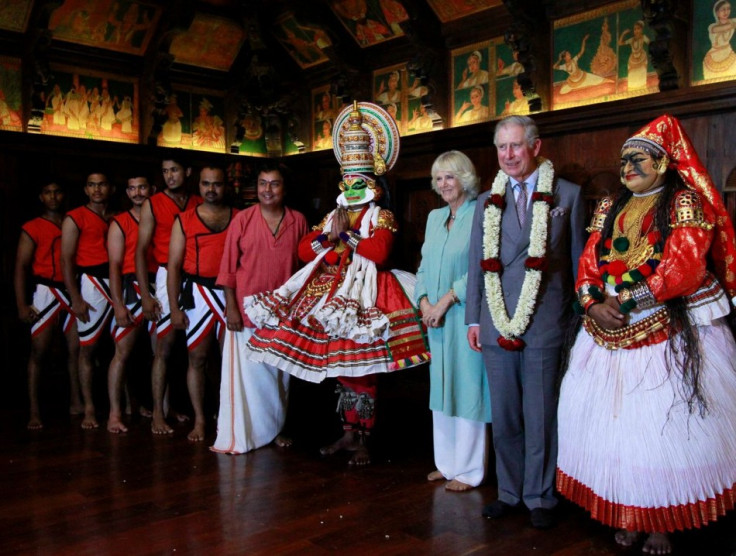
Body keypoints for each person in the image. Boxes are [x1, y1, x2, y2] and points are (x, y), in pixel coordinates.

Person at [557, 114, 736, 555]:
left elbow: (686, 266)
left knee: (662, 426)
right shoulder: (609, 205)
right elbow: (589, 262)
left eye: (638, 158)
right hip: (608, 323)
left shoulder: (683, 203)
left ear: (663, 162)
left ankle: (661, 521)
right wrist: (593, 302)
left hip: (670, 325)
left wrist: (632, 299)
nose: (628, 167)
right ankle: (626, 510)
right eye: (624, 160)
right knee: (613, 426)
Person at [244, 102, 429, 465]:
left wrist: (345, 238)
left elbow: (379, 253)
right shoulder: (334, 214)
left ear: (373, 184)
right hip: (328, 294)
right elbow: (305, 250)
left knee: (363, 366)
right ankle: (347, 433)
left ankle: (365, 436)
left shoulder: (383, 215)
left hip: (367, 293)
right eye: (346, 181)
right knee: (340, 366)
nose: (351, 186)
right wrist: (331, 239)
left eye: (358, 181)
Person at [466, 115, 586, 528]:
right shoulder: (485, 201)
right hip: (494, 321)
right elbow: (475, 265)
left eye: (516, 146)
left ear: (536, 147)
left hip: (546, 322)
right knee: (505, 415)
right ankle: (509, 492)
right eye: (502, 147)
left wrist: (579, 323)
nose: (509, 155)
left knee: (540, 415)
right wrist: (472, 320)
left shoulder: (566, 195)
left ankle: (540, 496)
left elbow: (578, 266)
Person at [211, 162, 308, 454]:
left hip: (285, 313)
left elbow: (305, 268)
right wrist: (231, 308)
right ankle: (249, 433)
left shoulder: (298, 220)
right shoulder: (242, 220)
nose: (268, 190)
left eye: (274, 183)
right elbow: (228, 268)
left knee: (280, 376)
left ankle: (274, 430)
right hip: (246, 312)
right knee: (250, 378)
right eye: (263, 184)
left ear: (284, 188)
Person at [416, 151, 491, 492]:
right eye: (438, 178)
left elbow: (482, 266)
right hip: (435, 320)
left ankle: (470, 470)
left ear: (466, 178)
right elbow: (422, 266)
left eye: (450, 176)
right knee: (441, 391)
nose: (443, 184)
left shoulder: (482, 213)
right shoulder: (434, 218)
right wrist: (424, 302)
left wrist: (445, 300)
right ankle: (446, 465)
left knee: (469, 389)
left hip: (465, 316)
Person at [167, 165, 236, 442]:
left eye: (217, 184)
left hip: (230, 294)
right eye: (206, 183)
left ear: (225, 186)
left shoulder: (240, 217)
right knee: (197, 359)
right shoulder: (183, 220)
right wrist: (174, 308)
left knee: (231, 361)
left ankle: (230, 415)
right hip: (196, 294)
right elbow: (173, 267)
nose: (211, 189)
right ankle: (200, 419)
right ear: (199, 186)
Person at [136, 158, 202, 435]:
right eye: (164, 171)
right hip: (165, 275)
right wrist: (145, 295)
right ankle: (157, 414)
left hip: (197, 277)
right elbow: (140, 250)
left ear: (188, 170)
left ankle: (191, 408)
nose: (169, 176)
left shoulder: (199, 200)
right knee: (163, 347)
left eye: (174, 169)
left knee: (197, 347)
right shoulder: (153, 203)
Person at [14, 180, 81, 429]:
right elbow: (20, 267)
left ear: (64, 195)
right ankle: (34, 410)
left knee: (76, 350)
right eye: (47, 192)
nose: (53, 196)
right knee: (39, 352)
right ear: (41, 197)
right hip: (44, 290)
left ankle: (77, 402)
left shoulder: (72, 222)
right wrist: (22, 304)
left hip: (71, 290)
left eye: (58, 191)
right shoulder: (32, 227)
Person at [61, 172, 115, 429]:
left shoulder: (117, 216)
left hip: (116, 282)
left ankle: (125, 405)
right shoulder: (75, 217)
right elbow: (66, 260)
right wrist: (75, 298)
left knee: (122, 347)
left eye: (102, 184)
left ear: (110, 188)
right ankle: (89, 409)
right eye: (92, 184)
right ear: (85, 189)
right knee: (87, 349)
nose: (97, 189)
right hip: (90, 283)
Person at [106, 171, 156, 433]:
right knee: (122, 353)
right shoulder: (120, 222)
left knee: (162, 354)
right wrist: (117, 304)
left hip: (157, 283)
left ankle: (161, 409)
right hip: (129, 286)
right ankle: (115, 413)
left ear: (152, 188)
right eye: (132, 188)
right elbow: (114, 266)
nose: (138, 193)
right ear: (127, 193)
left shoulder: (160, 217)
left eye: (142, 187)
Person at [703, 0, 736, 80]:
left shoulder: (733, 21)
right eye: (723, 9)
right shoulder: (712, 27)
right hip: (714, 57)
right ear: (717, 13)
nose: (726, 12)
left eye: (728, 9)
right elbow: (724, 28)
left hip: (729, 53)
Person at [618, 20, 650, 90]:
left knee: (641, 75)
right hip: (633, 59)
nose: (636, 31)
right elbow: (620, 43)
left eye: (638, 29)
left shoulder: (643, 37)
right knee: (632, 76)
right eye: (635, 29)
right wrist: (623, 33)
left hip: (642, 58)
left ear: (641, 30)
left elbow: (650, 43)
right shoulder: (631, 39)